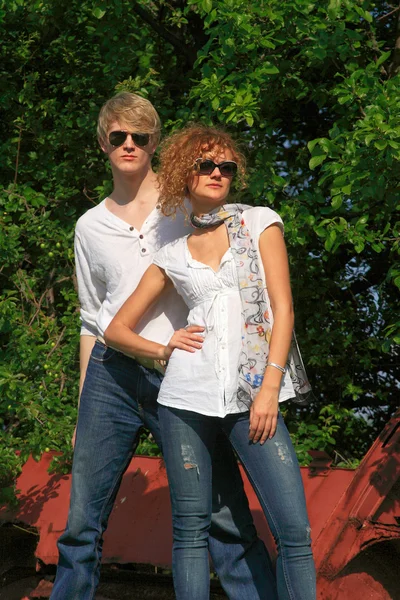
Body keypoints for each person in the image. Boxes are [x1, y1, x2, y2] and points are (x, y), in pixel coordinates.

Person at [50, 94, 277, 600]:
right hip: (111, 376)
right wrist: (84, 410)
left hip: (183, 373)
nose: (128, 144)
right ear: (103, 143)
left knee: (221, 514)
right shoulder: (89, 227)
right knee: (82, 522)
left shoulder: (184, 206)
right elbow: (93, 320)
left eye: (140, 136)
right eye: (117, 136)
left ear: (155, 143)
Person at [105, 124, 317, 600]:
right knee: (191, 532)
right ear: (185, 172)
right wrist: (163, 350)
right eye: (206, 165)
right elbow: (116, 329)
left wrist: (269, 389)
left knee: (294, 532)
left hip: (254, 398)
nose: (218, 172)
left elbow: (283, 308)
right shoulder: (172, 254)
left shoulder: (259, 222)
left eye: (227, 166)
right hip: (184, 399)